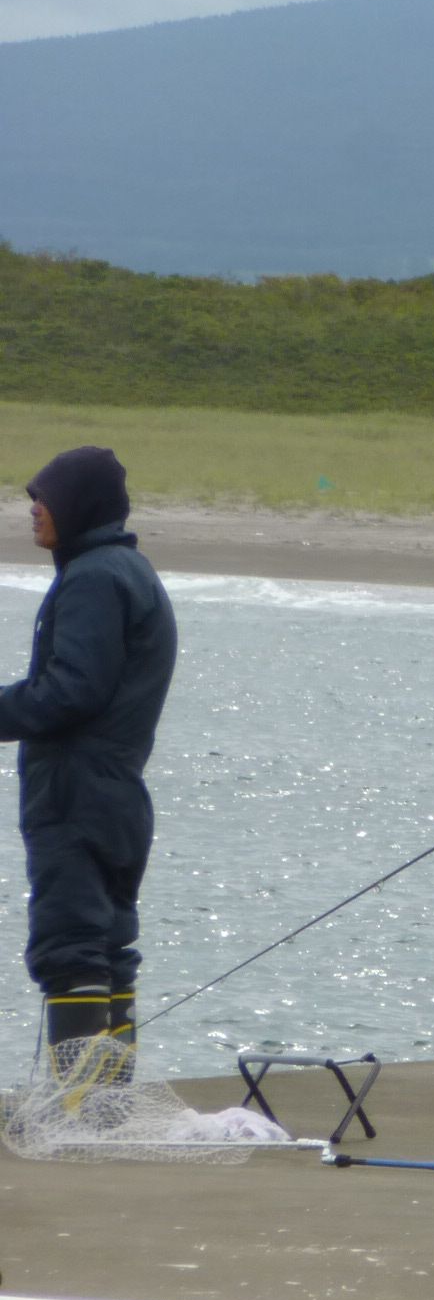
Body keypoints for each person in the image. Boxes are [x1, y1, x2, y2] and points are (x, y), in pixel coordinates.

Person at [0, 448, 178, 1054]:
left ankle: (80, 1117)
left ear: (79, 505)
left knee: (70, 946)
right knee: (107, 947)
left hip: (77, 794)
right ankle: (106, 1109)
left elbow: (70, 692)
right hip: (118, 794)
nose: (34, 510)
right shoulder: (129, 571)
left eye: (44, 498)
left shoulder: (95, 577)